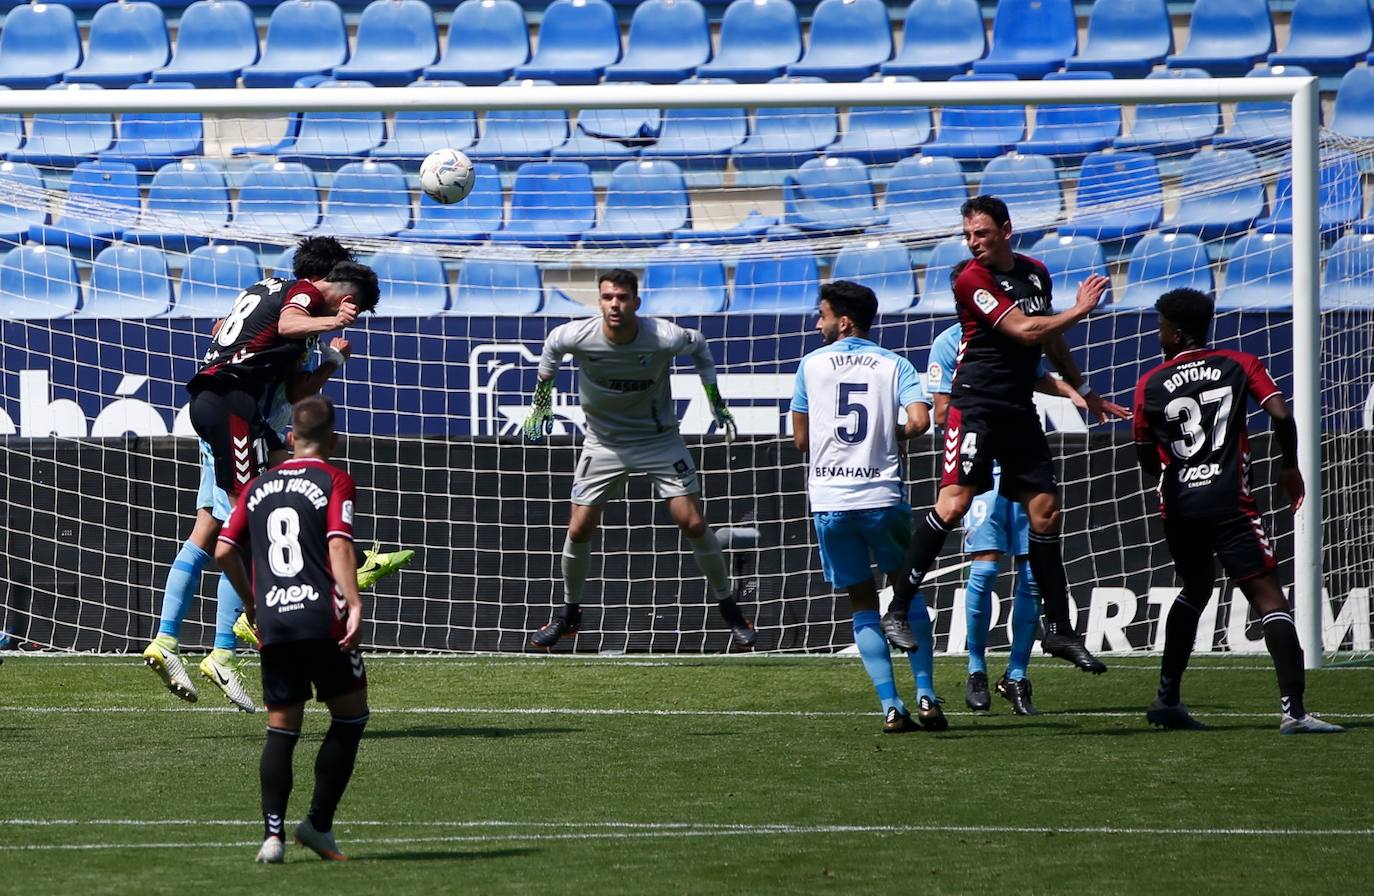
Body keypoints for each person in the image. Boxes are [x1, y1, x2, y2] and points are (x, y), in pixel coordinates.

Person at [143, 244, 407, 709]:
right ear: (334, 285)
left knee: (212, 529)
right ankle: (233, 636)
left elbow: (274, 362)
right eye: (353, 307)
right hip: (235, 414)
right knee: (245, 526)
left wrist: (329, 358)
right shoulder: (299, 302)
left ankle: (181, 640)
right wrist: (333, 330)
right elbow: (290, 354)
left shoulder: (271, 295)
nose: (351, 314)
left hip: (239, 417)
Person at [883, 195, 1130, 675]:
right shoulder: (972, 279)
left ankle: (1058, 630)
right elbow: (1024, 330)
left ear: (1006, 229)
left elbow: (1051, 339)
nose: (974, 243)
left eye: (982, 233)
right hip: (975, 408)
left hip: (1018, 409)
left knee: (1046, 513)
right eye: (969, 235)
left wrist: (1083, 390)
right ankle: (898, 607)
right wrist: (1081, 310)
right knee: (953, 505)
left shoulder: (1035, 272)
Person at [1132, 288, 1343, 735]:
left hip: (1178, 505)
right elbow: (1282, 416)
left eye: (1162, 326)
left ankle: (1167, 698)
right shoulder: (1240, 363)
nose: (1158, 333)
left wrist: (1174, 474)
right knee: (1269, 599)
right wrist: (1289, 466)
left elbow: (1145, 453)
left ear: (1177, 332)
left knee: (1194, 588)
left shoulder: (1149, 383)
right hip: (1229, 503)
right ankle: (1295, 713)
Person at [523, 269, 754, 650]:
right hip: (604, 443)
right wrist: (541, 405)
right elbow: (551, 349)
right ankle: (569, 613)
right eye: (608, 297)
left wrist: (715, 400)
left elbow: (699, 346)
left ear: (636, 302)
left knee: (693, 522)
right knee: (578, 529)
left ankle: (729, 606)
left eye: (623, 297)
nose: (616, 304)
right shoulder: (576, 335)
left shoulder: (663, 336)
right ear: (599, 302)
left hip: (658, 440)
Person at [217, 395, 371, 863]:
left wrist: (251, 601)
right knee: (350, 717)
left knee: (281, 731)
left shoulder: (258, 486)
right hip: (322, 620)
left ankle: (272, 838)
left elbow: (224, 550)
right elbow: (339, 544)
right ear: (334, 439)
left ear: (289, 437)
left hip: (276, 623)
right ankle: (318, 825)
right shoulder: (334, 479)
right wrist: (355, 602)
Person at [792, 281, 946, 733]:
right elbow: (920, 421)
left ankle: (891, 708)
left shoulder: (810, 365)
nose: (817, 323)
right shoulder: (895, 363)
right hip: (882, 495)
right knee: (905, 593)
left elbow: (801, 440)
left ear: (843, 321)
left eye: (822, 315)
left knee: (861, 601)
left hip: (831, 500)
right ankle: (927, 696)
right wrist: (886, 432)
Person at [925, 320, 1088, 715]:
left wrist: (1075, 393)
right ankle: (976, 670)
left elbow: (1036, 377)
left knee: (1031, 575)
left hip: (1023, 465)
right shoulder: (949, 343)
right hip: (982, 470)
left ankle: (1016, 676)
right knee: (983, 570)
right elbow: (942, 411)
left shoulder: (1014, 334)